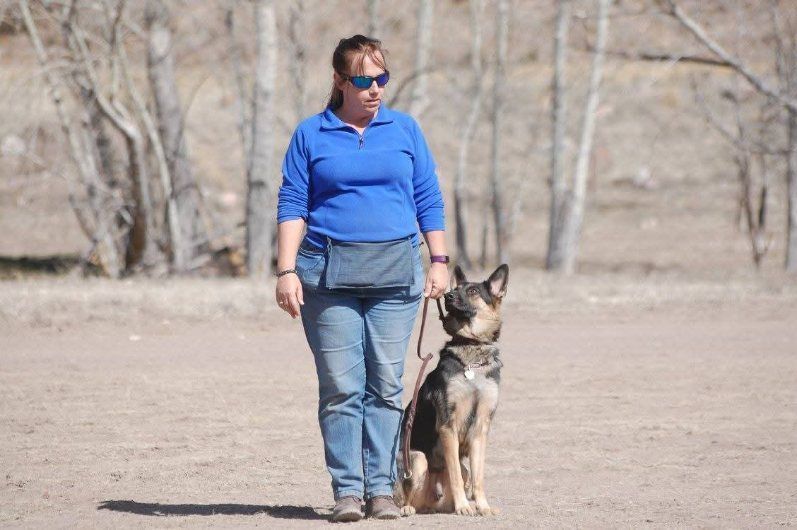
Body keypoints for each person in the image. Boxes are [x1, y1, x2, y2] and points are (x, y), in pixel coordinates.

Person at [275, 35, 449, 522]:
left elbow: (428, 198)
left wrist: (439, 259)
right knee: (340, 387)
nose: (374, 89)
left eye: (381, 79)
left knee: (387, 386)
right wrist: (286, 271)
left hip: (396, 275)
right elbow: (292, 204)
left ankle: (382, 491)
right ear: (339, 80)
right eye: (363, 80)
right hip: (327, 276)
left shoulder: (405, 129)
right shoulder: (312, 134)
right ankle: (348, 491)